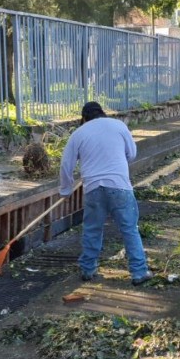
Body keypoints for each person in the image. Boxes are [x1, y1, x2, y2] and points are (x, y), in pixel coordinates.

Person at [59, 101, 154, 285]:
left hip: (93, 188)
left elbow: (66, 164)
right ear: (102, 113)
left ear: (84, 118)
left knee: (92, 229)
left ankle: (88, 270)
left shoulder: (79, 133)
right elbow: (132, 153)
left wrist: (66, 189)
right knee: (129, 229)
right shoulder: (119, 126)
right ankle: (139, 272)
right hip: (119, 186)